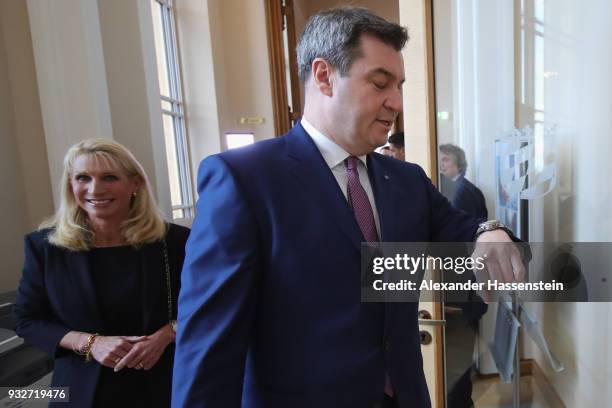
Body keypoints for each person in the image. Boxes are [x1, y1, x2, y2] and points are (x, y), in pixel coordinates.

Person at [173, 7, 522, 408]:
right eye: (380, 83)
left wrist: (492, 232)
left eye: (400, 85)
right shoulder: (245, 180)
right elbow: (209, 347)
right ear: (324, 76)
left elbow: (465, 231)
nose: (396, 102)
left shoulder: (406, 181)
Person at [13, 139, 190, 407]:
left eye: (109, 177)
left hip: (164, 383)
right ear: (71, 186)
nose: (95, 189)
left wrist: (167, 334)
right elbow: (27, 320)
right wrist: (91, 343)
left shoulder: (175, 241)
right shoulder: (45, 247)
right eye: (83, 177)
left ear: (135, 184)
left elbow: (204, 306)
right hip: (80, 390)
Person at [439, 143, 487, 220]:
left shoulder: (462, 191)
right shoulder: (457, 187)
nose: (440, 164)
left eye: (445, 160)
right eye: (439, 160)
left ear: (459, 163)